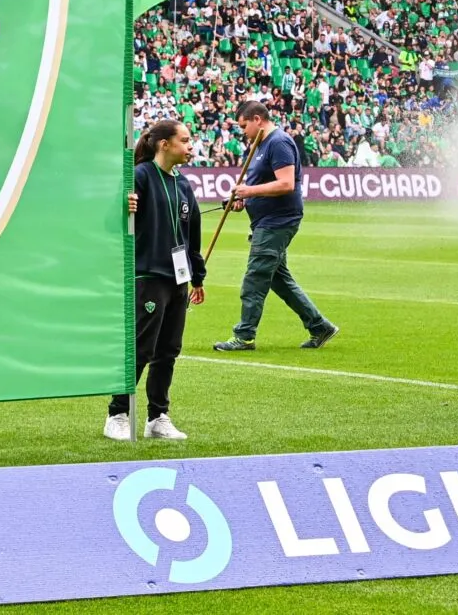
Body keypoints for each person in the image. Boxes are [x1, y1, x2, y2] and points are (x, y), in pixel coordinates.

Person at [105, 119, 206, 442]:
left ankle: (158, 417)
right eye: (185, 140)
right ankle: (117, 414)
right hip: (148, 275)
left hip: (178, 279)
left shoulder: (183, 184)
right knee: (141, 347)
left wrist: (197, 276)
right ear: (165, 144)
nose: (190, 146)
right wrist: (123, 208)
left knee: (168, 350)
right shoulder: (140, 176)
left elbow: (192, 235)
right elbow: (110, 223)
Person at [213, 100, 338, 352]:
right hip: (266, 220)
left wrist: (248, 191)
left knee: (255, 278)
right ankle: (320, 326)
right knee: (278, 280)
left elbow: (286, 183)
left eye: (244, 126)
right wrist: (243, 199)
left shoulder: (278, 142)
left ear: (257, 119)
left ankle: (244, 336)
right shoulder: (260, 144)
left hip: (277, 221)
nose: (243, 132)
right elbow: (261, 184)